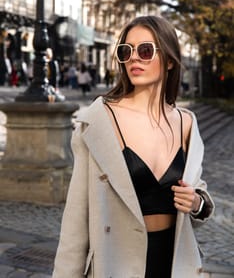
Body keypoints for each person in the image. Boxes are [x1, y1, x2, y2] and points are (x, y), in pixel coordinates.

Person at [52, 16, 214, 278]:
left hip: (175, 265)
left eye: (146, 50)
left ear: (170, 60)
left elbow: (198, 192)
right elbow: (75, 221)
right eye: (126, 51)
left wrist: (196, 202)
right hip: (116, 265)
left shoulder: (186, 123)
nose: (134, 58)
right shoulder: (99, 120)